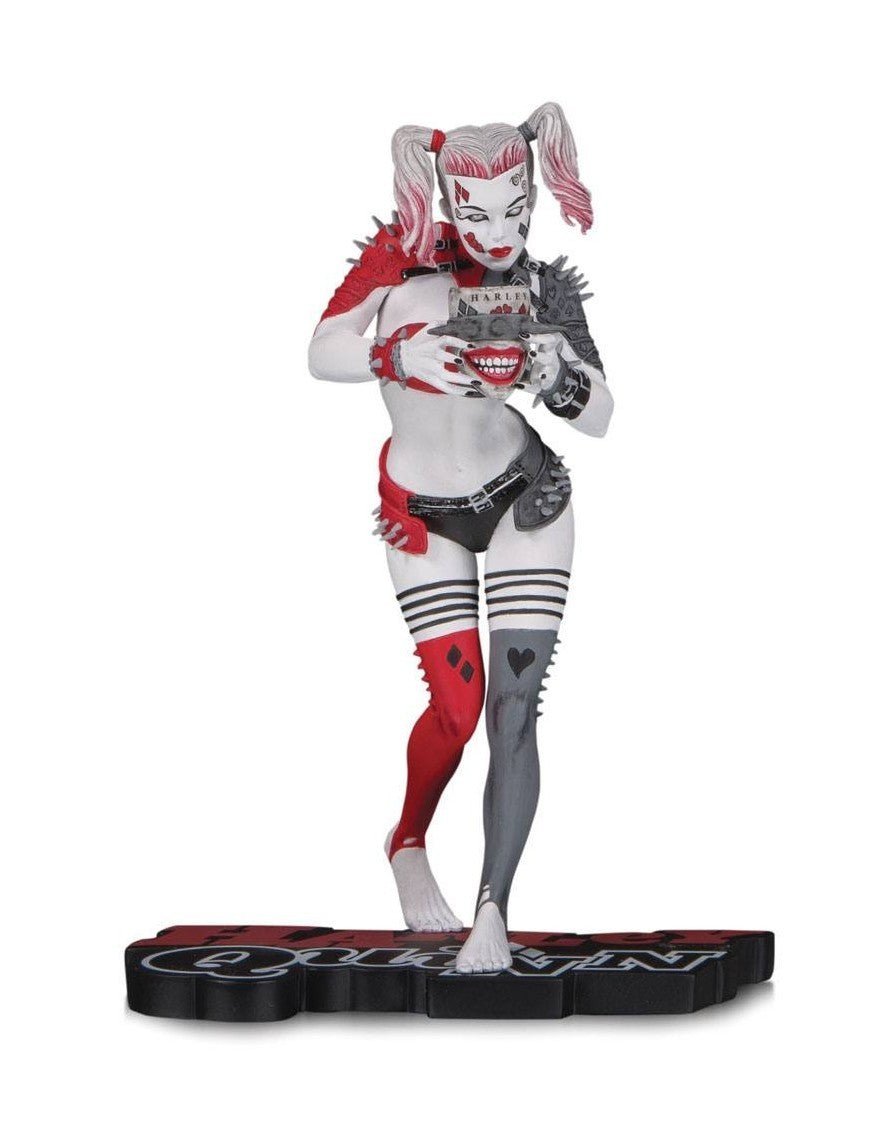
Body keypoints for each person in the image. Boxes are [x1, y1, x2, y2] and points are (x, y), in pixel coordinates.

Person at [308, 102, 613, 973]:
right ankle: (407, 839)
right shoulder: (400, 258)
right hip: (422, 510)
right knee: (458, 706)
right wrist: (393, 356)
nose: (499, 232)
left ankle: (493, 909)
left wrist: (557, 377)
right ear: (447, 197)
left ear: (532, 198)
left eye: (517, 210)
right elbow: (319, 350)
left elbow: (602, 414)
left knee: (515, 706)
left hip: (525, 497)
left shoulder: (543, 287)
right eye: (478, 212)